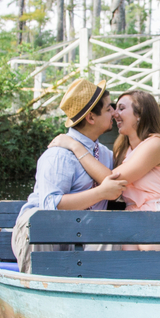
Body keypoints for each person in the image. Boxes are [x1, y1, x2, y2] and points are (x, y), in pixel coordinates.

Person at [48, 89, 160, 251]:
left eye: (121, 108)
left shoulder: (156, 144)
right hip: (136, 223)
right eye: (114, 108)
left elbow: (112, 180)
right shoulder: (121, 151)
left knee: (147, 245)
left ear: (139, 114)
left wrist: (75, 146)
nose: (114, 113)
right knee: (124, 245)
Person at [12, 78, 127, 272]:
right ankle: (40, 287)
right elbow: (50, 206)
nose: (115, 113)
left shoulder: (106, 155)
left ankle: (96, 294)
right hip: (44, 231)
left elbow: (118, 189)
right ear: (91, 118)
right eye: (109, 109)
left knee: (109, 230)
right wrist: (101, 193)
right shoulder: (58, 155)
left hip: (85, 231)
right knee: (38, 222)